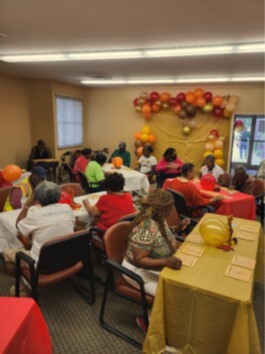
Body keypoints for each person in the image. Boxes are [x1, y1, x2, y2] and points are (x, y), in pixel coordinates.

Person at [3, 181, 75, 295]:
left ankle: (24, 283)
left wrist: (27, 204)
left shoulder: (35, 214)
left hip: (42, 265)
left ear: (38, 198)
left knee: (7, 253)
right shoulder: (67, 208)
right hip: (68, 258)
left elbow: (19, 225)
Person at [122, 189, 182, 299]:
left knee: (180, 286)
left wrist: (176, 228)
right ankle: (150, 316)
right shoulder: (145, 228)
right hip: (139, 272)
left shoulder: (158, 218)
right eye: (170, 207)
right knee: (172, 296)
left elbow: (161, 235)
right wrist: (165, 261)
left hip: (154, 268)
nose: (172, 210)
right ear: (162, 210)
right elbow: (140, 260)